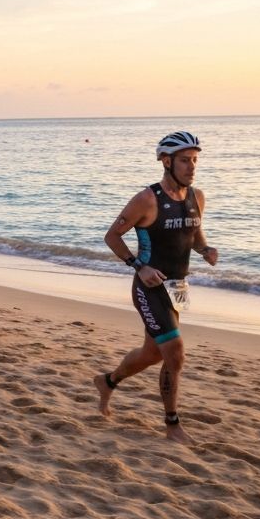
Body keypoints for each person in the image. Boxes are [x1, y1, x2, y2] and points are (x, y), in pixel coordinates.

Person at [94, 131, 218, 444]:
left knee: (152, 353)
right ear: (166, 161)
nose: (191, 167)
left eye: (194, 161)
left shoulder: (196, 197)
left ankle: (108, 381)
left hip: (177, 288)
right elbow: (112, 237)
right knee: (174, 354)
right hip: (148, 288)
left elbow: (195, 232)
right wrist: (140, 267)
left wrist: (205, 250)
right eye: (184, 161)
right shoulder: (147, 200)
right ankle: (172, 424)